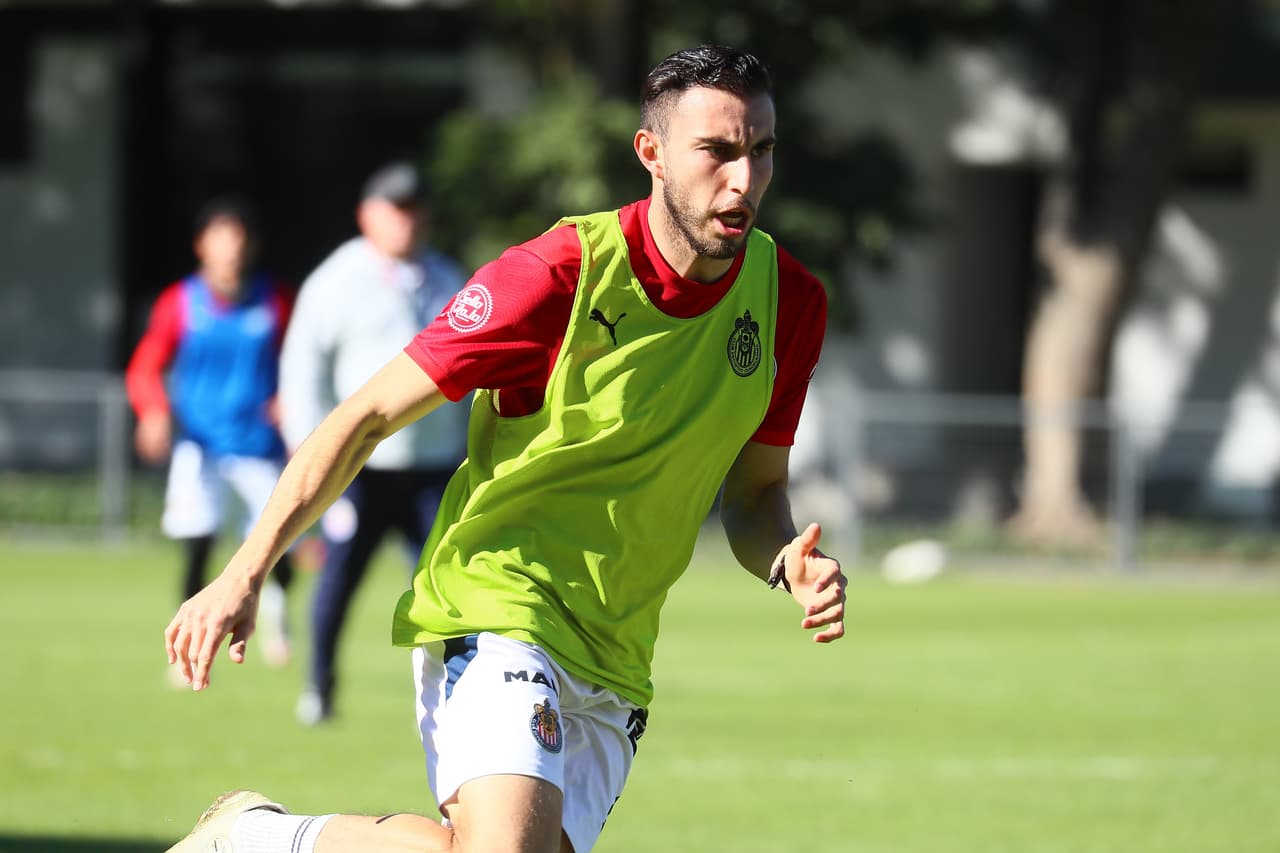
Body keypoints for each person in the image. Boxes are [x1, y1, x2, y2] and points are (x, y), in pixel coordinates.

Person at [164, 44, 846, 853]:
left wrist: (786, 560)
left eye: (761, 150)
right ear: (652, 153)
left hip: (617, 653)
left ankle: (258, 838)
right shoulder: (558, 276)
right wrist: (246, 570)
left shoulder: (790, 302)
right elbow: (368, 414)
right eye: (719, 151)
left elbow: (755, 495)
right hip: (499, 602)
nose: (744, 179)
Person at [279, 161, 469, 725]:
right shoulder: (334, 281)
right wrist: (313, 455)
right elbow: (302, 374)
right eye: (395, 209)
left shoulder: (445, 276)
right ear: (368, 215)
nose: (407, 221)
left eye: (415, 209)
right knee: (338, 580)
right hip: (361, 465)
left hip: (433, 466)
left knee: (450, 583)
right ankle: (320, 684)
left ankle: (460, 693)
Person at [127, 195, 296, 672]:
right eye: (221, 239)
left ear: (251, 247)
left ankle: (279, 619)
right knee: (197, 547)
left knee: (275, 548)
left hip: (260, 447)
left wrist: (294, 399)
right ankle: (187, 649)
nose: (231, 250)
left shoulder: (276, 299)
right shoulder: (180, 301)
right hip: (199, 449)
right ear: (202, 245)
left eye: (239, 240)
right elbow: (146, 366)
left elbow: (301, 359)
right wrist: (153, 411)